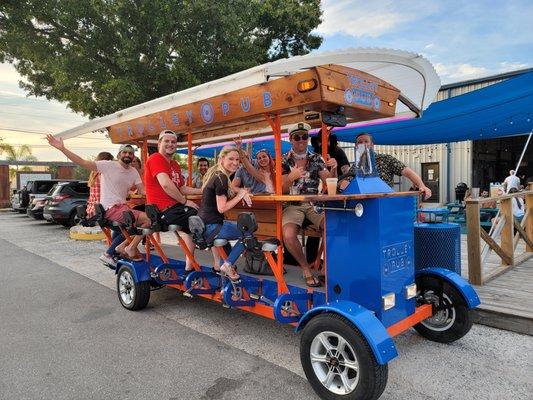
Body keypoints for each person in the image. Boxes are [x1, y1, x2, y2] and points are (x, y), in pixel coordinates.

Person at [46, 135, 151, 263]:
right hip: (110, 208)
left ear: (133, 156)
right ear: (118, 155)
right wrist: (62, 148)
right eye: (125, 152)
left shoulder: (133, 171)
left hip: (122, 208)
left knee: (137, 224)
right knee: (147, 220)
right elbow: (83, 162)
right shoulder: (108, 165)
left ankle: (117, 250)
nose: (128, 154)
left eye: (130, 153)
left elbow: (143, 190)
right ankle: (125, 249)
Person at [281, 122, 337, 287]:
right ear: (291, 139)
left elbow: (328, 180)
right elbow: (281, 189)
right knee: (289, 235)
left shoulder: (316, 158)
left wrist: (334, 168)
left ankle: (326, 268)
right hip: (293, 203)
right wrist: (291, 177)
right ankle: (306, 268)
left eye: (304, 136)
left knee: (333, 228)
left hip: (314, 204)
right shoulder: (284, 159)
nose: (301, 140)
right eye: (297, 137)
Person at [144, 130, 203, 273]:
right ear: (159, 143)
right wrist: (184, 202)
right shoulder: (156, 158)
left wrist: (203, 190)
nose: (170, 144)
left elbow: (181, 188)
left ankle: (189, 267)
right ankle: (219, 264)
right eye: (167, 141)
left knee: (196, 222)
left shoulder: (174, 164)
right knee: (205, 217)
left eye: (173, 142)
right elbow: (166, 184)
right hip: (164, 211)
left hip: (174, 209)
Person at [199, 146, 253, 281]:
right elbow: (222, 208)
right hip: (213, 227)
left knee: (227, 249)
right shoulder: (222, 178)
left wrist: (241, 191)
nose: (235, 163)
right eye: (231, 159)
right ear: (222, 159)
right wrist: (240, 195)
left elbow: (231, 189)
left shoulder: (216, 174)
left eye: (237, 160)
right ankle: (227, 265)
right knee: (248, 232)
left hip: (204, 227)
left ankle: (225, 281)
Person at [341, 133, 432, 200]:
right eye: (360, 142)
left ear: (372, 145)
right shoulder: (356, 166)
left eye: (366, 141)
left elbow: (407, 172)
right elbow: (344, 184)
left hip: (386, 201)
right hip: (363, 205)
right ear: (356, 146)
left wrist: (422, 185)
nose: (363, 144)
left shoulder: (385, 159)